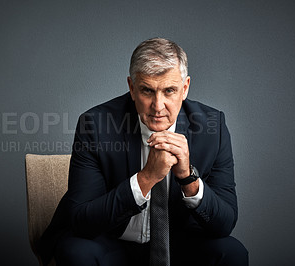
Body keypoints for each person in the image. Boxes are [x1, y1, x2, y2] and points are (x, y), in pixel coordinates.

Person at [38, 37, 248, 265]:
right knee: (76, 251)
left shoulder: (211, 128)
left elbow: (224, 224)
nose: (158, 106)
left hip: (180, 245)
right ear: (132, 88)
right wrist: (146, 178)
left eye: (169, 91)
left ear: (185, 88)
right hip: (112, 240)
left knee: (231, 252)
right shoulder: (96, 125)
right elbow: (82, 220)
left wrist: (188, 177)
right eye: (147, 91)